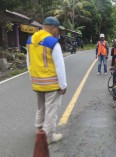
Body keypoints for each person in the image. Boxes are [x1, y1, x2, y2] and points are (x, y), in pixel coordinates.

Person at [26, 16, 67, 144]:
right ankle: (48, 136)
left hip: (37, 82)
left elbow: (29, 62)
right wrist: (63, 85)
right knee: (51, 110)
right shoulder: (53, 43)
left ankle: (39, 129)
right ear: (53, 27)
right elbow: (60, 66)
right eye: (58, 30)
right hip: (51, 84)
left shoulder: (30, 40)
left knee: (41, 107)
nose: (58, 33)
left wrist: (32, 78)